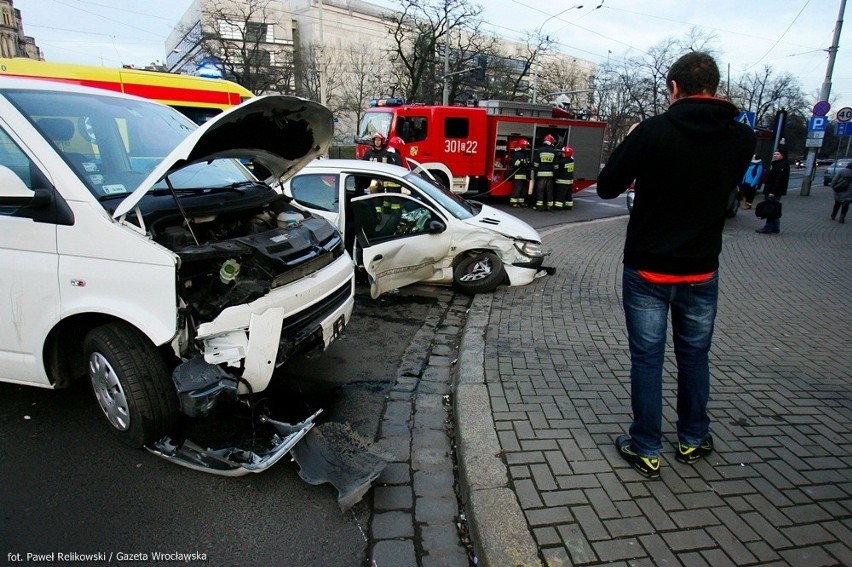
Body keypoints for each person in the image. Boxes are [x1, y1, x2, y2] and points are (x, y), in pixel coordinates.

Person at [596, 51, 755, 479]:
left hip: (648, 269)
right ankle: (693, 438)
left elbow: (608, 186)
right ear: (715, 88)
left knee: (647, 360)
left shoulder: (652, 131)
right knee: (695, 356)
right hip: (702, 269)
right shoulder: (742, 138)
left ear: (673, 88)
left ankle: (646, 447)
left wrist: (638, 144)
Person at [756, 148, 790, 234]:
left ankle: (768, 227)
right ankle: (775, 227)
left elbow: (779, 180)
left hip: (774, 191)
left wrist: (772, 191)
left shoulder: (782, 165)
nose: (775, 155)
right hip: (774, 190)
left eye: (778, 154)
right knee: (774, 209)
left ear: (782, 155)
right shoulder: (777, 164)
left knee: (771, 209)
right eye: (775, 154)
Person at [532, 134, 558, 211]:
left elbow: (536, 164)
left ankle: (539, 207)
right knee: (549, 191)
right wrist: (555, 175)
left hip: (541, 174)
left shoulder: (540, 150)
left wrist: (535, 173)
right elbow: (556, 166)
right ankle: (549, 206)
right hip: (550, 175)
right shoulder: (554, 151)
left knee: (540, 190)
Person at [508, 139, 532, 207]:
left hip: (525, 175)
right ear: (522, 146)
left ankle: (521, 202)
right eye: (525, 146)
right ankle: (513, 203)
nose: (526, 147)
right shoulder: (517, 154)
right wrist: (521, 163)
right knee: (518, 189)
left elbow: (526, 163)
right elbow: (514, 164)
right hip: (519, 174)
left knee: (523, 190)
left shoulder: (524, 154)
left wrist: (529, 164)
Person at [553, 145, 575, 211]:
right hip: (569, 181)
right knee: (568, 195)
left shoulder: (562, 162)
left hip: (562, 181)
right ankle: (569, 206)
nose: (562, 154)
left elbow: (556, 167)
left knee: (560, 194)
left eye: (563, 153)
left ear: (566, 153)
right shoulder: (571, 160)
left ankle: (558, 206)